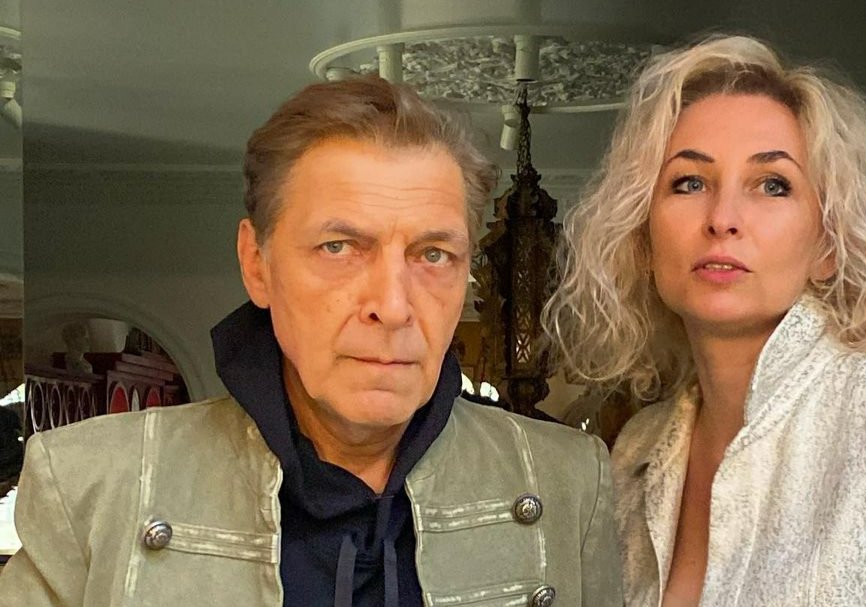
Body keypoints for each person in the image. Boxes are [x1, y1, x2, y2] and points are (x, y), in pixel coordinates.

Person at [0, 76, 621, 607]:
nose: (393, 306)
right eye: (339, 247)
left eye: (433, 254)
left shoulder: (570, 482)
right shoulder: (89, 486)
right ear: (257, 264)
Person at [543, 35, 866, 606]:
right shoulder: (636, 452)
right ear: (643, 236)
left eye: (773, 185)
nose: (723, 218)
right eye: (689, 182)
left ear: (828, 243)